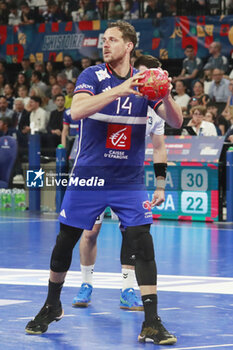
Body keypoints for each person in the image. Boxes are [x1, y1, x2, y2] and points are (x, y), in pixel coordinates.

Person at [25, 20, 182, 345]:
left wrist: (165, 96)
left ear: (128, 46)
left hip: (128, 181)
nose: (105, 44)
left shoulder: (145, 83)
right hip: (89, 178)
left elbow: (176, 121)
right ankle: (52, 304)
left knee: (142, 242)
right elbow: (78, 111)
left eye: (112, 40)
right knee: (65, 242)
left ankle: (151, 322)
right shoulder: (93, 76)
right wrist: (120, 90)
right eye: (103, 40)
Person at [72, 54, 167, 311]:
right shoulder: (114, 91)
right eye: (146, 75)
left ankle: (127, 289)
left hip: (127, 178)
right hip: (96, 172)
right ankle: (86, 283)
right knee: (90, 232)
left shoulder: (154, 107)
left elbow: (159, 148)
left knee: (133, 233)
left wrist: (160, 184)